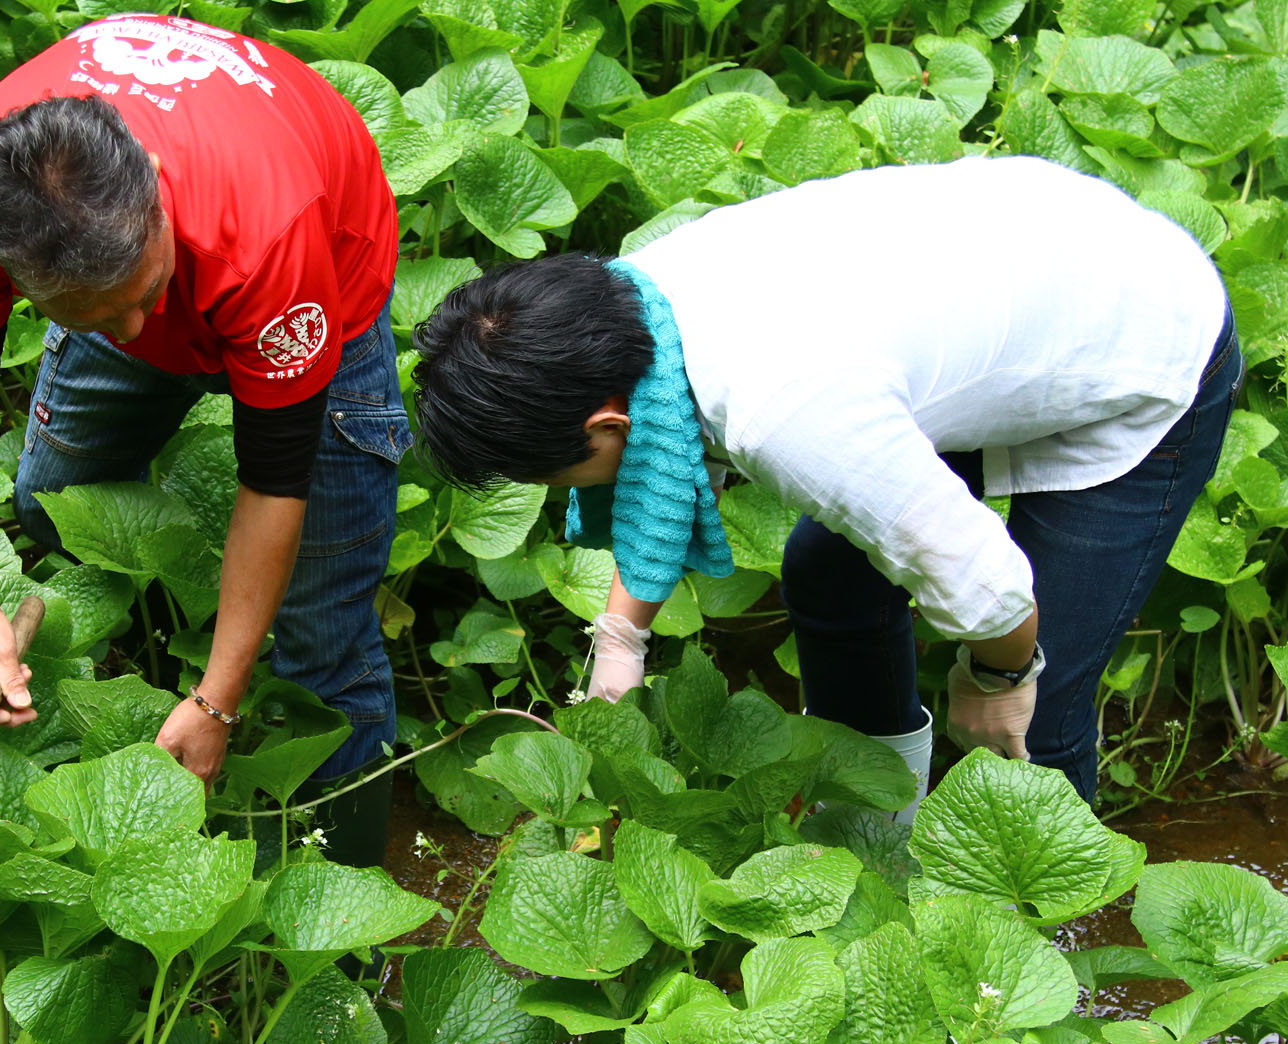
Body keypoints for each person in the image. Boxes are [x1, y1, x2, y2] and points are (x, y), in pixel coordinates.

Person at [412, 156, 1240, 817]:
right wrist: (622, 633)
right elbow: (658, 466)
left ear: (605, 428)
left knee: (1044, 691)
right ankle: (873, 819)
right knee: (829, 571)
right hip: (1024, 261)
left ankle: (1049, 934)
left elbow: (988, 587)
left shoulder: (787, 407)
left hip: (1143, 332)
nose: (562, 489)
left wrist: (996, 680)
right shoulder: (628, 304)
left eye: (555, 474)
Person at [0, 13, 408, 865]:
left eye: (146, 293)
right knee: (54, 503)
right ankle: (120, 697)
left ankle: (352, 883)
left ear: (154, 187)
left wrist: (217, 702)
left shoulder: (270, 234)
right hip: (147, 259)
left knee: (325, 627)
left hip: (315, 276)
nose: (139, 327)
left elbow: (273, 482)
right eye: (100, 317)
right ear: (18, 277)